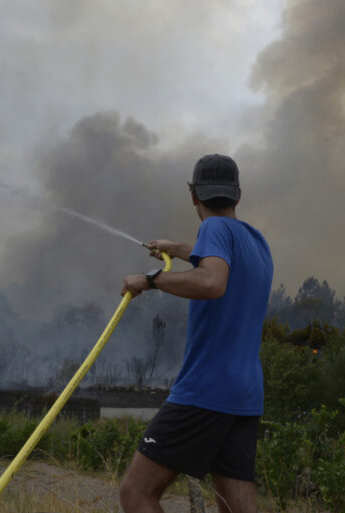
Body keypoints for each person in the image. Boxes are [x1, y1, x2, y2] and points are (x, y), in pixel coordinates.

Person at [119, 154, 273, 513]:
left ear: (193, 196)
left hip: (205, 389)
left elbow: (212, 281)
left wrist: (150, 280)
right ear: (238, 195)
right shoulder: (255, 241)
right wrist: (176, 249)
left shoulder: (213, 230)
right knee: (236, 506)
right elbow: (216, 262)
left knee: (136, 493)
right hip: (245, 394)